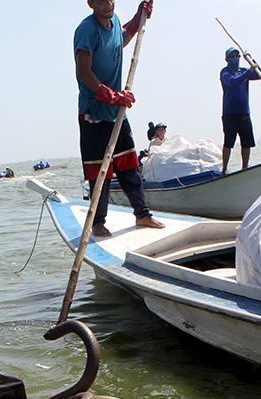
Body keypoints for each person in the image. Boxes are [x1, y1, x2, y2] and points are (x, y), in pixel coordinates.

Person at [75, 0, 163, 238]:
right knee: (99, 171)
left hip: (117, 111)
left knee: (129, 164)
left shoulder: (114, 22)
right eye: (101, 0)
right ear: (91, 3)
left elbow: (119, 40)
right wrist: (112, 96)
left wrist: (138, 19)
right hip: (93, 113)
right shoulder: (86, 30)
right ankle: (98, 222)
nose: (108, 4)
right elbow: (84, 73)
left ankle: (142, 213)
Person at [220, 48, 261, 172]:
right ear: (227, 59)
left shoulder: (244, 71)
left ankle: (245, 168)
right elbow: (233, 82)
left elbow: (260, 75)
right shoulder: (225, 72)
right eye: (232, 57)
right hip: (230, 113)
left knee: (246, 143)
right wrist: (249, 72)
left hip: (244, 112)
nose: (235, 59)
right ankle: (225, 168)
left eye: (237, 56)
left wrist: (251, 60)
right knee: (228, 142)